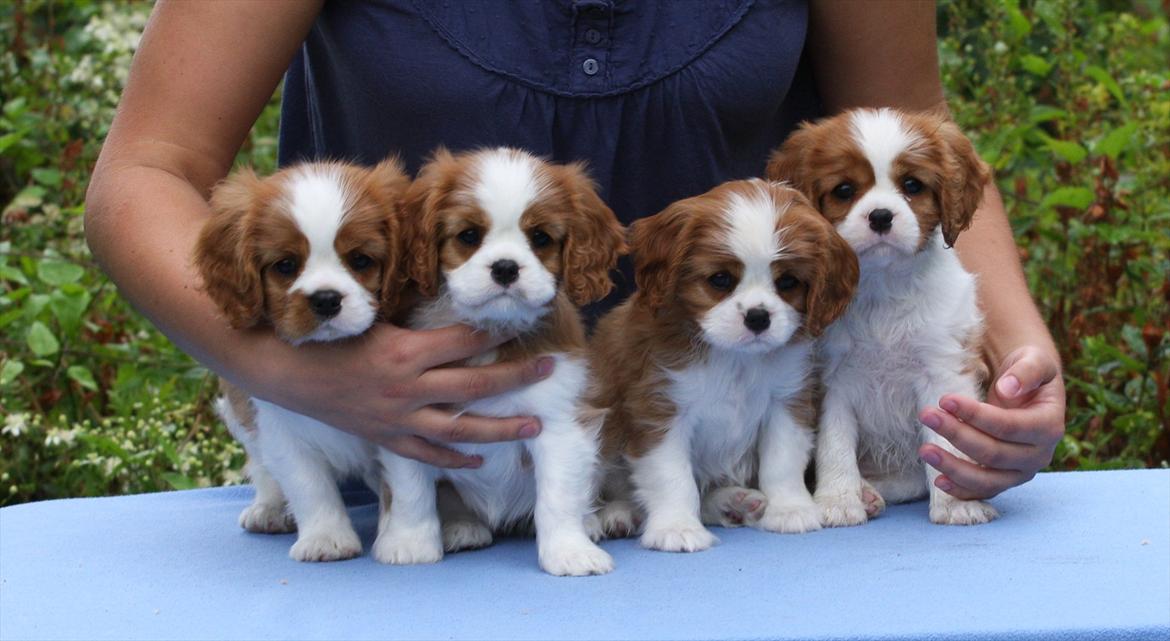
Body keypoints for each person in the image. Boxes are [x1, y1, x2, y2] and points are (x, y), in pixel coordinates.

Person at [85, 0, 1065, 501]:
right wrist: (289, 371)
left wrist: (1016, 361)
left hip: (736, 476)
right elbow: (147, 171)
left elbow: (919, 146)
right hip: (397, 472)